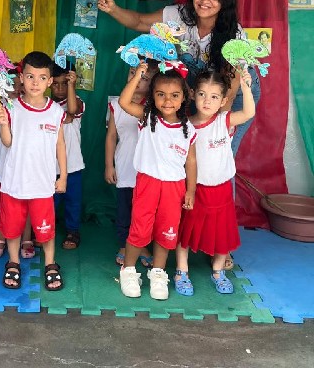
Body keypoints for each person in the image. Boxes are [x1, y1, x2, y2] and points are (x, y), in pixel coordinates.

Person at [97, 0, 261, 143]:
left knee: (216, 146)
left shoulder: (234, 35)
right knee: (190, 144)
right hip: (199, 89)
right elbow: (139, 21)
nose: (205, 1)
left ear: (224, 2)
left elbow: (230, 89)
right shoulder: (178, 15)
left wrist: (215, 128)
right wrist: (113, 9)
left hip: (235, 92)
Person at [117, 63, 196, 301]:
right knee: (139, 229)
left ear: (184, 97)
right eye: (161, 94)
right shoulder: (148, 117)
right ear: (153, 96)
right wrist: (139, 75)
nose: (167, 100)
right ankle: (128, 270)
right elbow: (124, 102)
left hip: (175, 187)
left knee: (167, 231)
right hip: (148, 183)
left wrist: (191, 190)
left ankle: (158, 273)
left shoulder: (188, 128)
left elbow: (191, 161)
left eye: (174, 95)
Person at [175, 70, 255, 296]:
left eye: (213, 96)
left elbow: (249, 112)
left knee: (222, 232)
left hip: (221, 190)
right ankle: (181, 271)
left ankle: (218, 271)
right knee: (186, 231)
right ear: (192, 94)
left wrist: (246, 87)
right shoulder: (186, 125)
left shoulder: (223, 120)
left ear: (223, 100)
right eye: (202, 94)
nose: (207, 101)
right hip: (195, 189)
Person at [0, 51, 67, 292]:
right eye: (30, 77)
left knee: (46, 230)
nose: (35, 83)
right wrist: (4, 123)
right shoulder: (12, 108)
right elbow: (7, 142)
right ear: (21, 79)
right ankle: (13, 262)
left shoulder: (55, 111)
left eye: (42, 77)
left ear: (50, 81)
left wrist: (63, 176)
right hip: (14, 182)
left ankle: (50, 263)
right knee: (12, 228)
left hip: (43, 184)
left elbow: (60, 145)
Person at [105, 62, 159, 267]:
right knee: (124, 209)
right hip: (125, 165)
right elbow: (111, 136)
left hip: (147, 170)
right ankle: (123, 244)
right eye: (133, 73)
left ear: (153, 83)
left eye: (144, 78)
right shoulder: (116, 104)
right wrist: (109, 165)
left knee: (143, 212)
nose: (137, 80)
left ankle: (142, 245)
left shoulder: (154, 106)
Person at [0, 67, 35, 259]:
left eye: (18, 84)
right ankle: (1, 237)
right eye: (9, 85)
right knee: (4, 205)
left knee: (27, 204)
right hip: (4, 167)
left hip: (25, 166)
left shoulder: (29, 107)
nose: (15, 89)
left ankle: (26, 238)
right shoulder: (1, 107)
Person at [50, 64, 84, 250]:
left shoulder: (77, 101)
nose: (60, 88)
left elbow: (71, 110)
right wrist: (63, 119)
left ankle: (73, 231)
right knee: (50, 201)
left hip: (73, 164)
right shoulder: (46, 105)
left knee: (73, 201)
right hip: (50, 165)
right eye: (56, 84)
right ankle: (46, 229)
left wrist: (72, 86)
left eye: (65, 83)